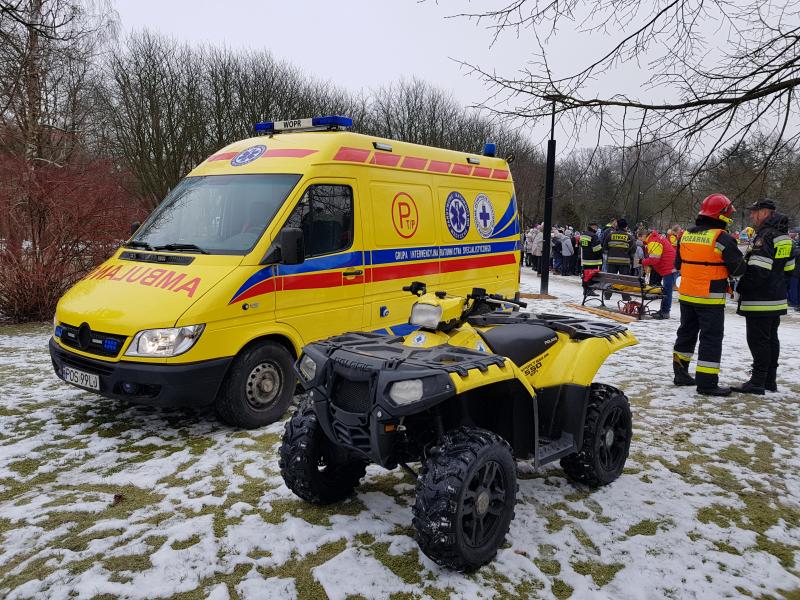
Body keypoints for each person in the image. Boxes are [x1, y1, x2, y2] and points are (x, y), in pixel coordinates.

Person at [673, 194, 745, 396]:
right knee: (710, 338)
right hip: (710, 297)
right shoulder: (722, 238)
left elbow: (678, 264)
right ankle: (707, 383)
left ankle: (680, 374)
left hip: (687, 294)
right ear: (721, 216)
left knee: (686, 334)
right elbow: (738, 270)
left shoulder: (685, 235)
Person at [731, 200, 795, 395]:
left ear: (765, 213)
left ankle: (757, 382)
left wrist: (742, 287)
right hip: (776, 296)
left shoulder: (765, 236)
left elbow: (758, 270)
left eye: (755, 212)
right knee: (771, 339)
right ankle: (769, 380)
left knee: (758, 340)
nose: (752, 216)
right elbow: (789, 268)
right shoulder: (784, 237)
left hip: (759, 298)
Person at [639, 228, 676, 319]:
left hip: (669, 267)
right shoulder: (655, 238)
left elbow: (654, 259)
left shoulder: (653, 241)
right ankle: (663, 310)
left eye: (640, 238)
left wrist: (642, 262)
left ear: (643, 236)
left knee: (667, 291)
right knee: (666, 290)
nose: (640, 240)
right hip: (669, 266)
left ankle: (665, 312)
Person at [602, 218, 635, 299]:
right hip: (624, 262)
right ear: (626, 226)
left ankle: (607, 294)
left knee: (610, 278)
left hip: (611, 261)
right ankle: (625, 296)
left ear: (617, 226)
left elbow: (605, 248)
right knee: (624, 280)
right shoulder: (629, 237)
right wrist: (628, 255)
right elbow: (633, 249)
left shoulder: (610, 235)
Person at [580, 223, 603, 295]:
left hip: (585, 259)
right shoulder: (593, 236)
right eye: (596, 227)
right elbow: (597, 248)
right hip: (593, 260)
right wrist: (601, 253)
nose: (596, 229)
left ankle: (585, 289)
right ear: (592, 227)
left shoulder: (583, 235)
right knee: (591, 275)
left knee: (585, 275)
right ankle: (590, 290)